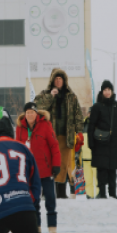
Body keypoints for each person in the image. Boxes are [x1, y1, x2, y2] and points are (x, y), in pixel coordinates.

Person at [35, 69, 84, 200]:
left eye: (60, 79)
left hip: (65, 136)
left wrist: (79, 132)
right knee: (47, 163)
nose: (58, 81)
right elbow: (37, 107)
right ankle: (46, 192)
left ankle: (61, 193)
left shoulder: (71, 96)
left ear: (64, 81)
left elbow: (78, 114)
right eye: (56, 79)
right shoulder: (45, 94)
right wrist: (51, 96)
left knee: (63, 164)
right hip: (48, 136)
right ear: (52, 81)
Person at [16, 102, 61, 233]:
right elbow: (17, 149)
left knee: (50, 199)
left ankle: (52, 226)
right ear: (25, 114)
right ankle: (37, 226)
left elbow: (54, 145)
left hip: (46, 170)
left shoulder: (45, 125)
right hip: (29, 172)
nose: (30, 115)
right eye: (28, 112)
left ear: (36, 114)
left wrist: (56, 164)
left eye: (32, 112)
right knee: (33, 200)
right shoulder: (20, 128)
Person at [87, 81, 117, 199]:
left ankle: (113, 194)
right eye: (105, 90)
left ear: (112, 91)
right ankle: (102, 193)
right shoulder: (97, 107)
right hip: (100, 142)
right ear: (102, 91)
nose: (107, 92)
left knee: (112, 170)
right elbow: (91, 126)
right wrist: (90, 142)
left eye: (109, 90)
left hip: (114, 142)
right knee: (102, 170)